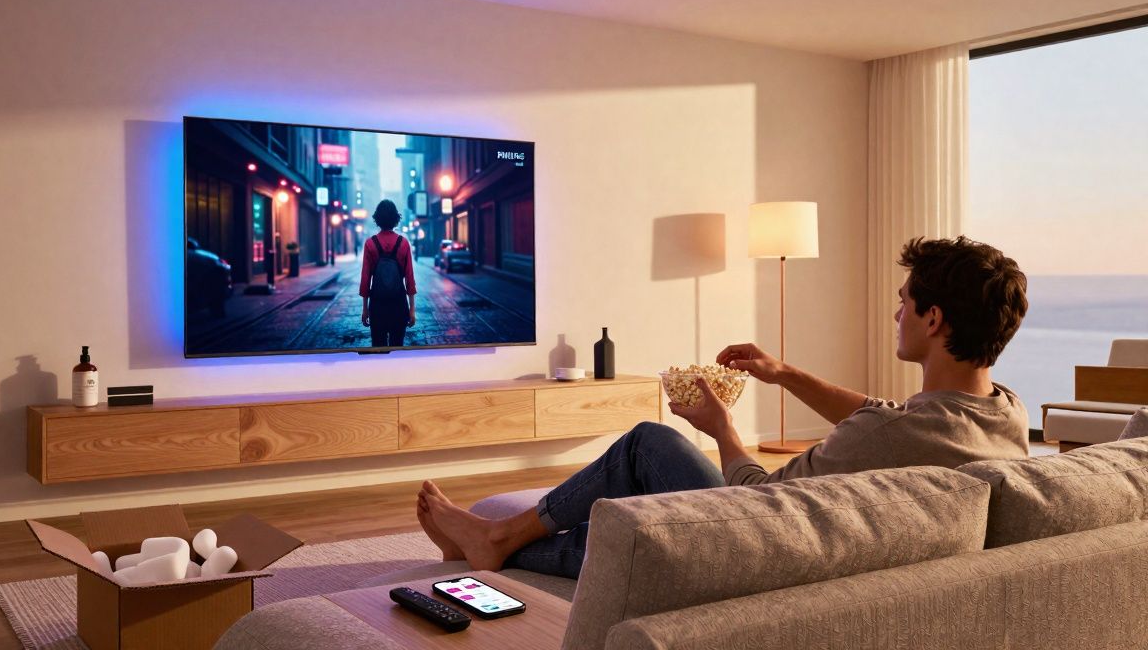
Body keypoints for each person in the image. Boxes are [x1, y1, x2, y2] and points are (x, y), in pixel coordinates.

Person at [416, 236, 1030, 578]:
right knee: (636, 500)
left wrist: (722, 429)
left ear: (933, 317)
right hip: (835, 547)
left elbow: (757, 493)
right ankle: (491, 539)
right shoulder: (1004, 413)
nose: (896, 313)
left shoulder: (887, 436)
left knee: (648, 445)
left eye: (904, 301)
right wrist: (784, 373)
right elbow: (881, 414)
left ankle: (497, 539)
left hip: (761, 538)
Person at [360, 200, 417, 347]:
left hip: (377, 306)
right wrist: (412, 310)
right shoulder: (403, 243)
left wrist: (365, 310)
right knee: (397, 348)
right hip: (398, 305)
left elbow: (365, 280)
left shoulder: (370, 244)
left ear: (377, 219)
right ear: (395, 219)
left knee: (378, 349)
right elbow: (410, 279)